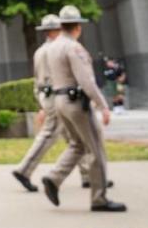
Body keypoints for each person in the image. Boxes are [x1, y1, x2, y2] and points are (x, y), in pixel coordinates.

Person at [40, 6, 126, 212]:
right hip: (76, 102)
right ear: (78, 27)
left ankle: (54, 178)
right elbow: (87, 81)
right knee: (96, 149)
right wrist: (103, 105)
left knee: (78, 145)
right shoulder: (74, 48)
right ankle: (99, 198)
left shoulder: (52, 47)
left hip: (60, 101)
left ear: (61, 25)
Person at [11, 14, 95, 193]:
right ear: (54, 31)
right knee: (50, 134)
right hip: (57, 96)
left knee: (75, 138)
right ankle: (24, 170)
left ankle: (88, 175)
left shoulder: (41, 51)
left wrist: (41, 101)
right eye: (59, 29)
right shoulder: (55, 50)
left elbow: (36, 80)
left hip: (47, 95)